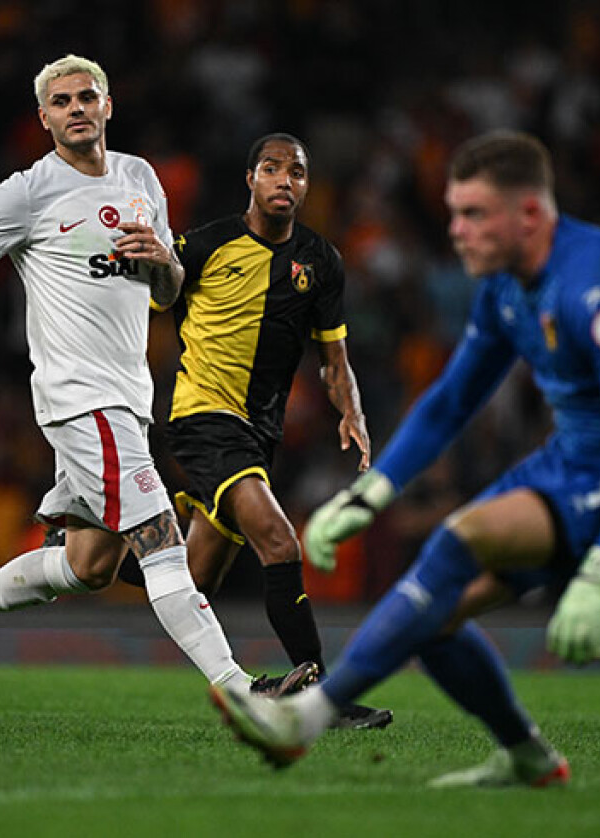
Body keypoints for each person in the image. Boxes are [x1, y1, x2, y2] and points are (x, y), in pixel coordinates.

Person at [210, 131, 600, 787]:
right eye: (454, 213)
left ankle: (306, 717)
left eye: (475, 214)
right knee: (433, 613)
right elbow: (452, 400)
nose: (457, 231)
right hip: (575, 460)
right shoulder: (505, 286)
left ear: (529, 214)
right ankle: (526, 756)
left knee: (457, 542)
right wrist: (371, 493)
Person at [0, 54, 311, 700]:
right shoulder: (25, 193)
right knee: (161, 537)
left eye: (87, 97)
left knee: (90, 564)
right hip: (78, 398)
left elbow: (169, 291)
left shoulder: (140, 177)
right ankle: (241, 691)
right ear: (44, 118)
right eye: (61, 102)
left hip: (128, 398)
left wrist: (162, 261)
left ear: (107, 106)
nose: (76, 109)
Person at [123, 133, 390, 729]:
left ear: (306, 185)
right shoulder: (207, 245)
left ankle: (90, 549)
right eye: (271, 169)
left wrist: (352, 411)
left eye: (296, 172)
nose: (284, 180)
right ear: (250, 179)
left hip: (259, 434)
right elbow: (144, 297)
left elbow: (334, 358)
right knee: (280, 541)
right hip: (203, 418)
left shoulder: (321, 261)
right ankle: (322, 697)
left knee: (190, 579)